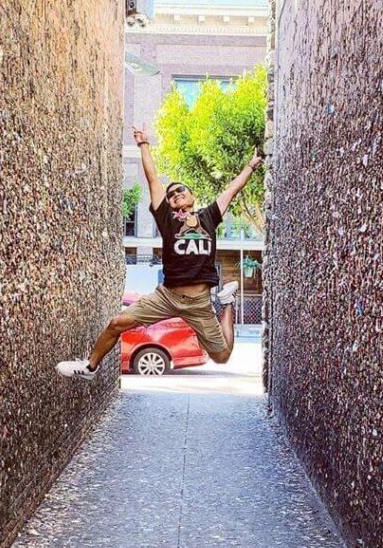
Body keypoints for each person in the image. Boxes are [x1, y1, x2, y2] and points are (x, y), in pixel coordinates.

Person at [56, 125, 264, 380]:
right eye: (171, 194)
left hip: (199, 302)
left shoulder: (209, 216)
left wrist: (251, 166)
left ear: (192, 196)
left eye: (181, 191)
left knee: (222, 356)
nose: (175, 194)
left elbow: (232, 190)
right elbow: (153, 179)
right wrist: (144, 145)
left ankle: (228, 303)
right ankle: (89, 367)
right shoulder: (167, 219)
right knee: (116, 324)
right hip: (166, 296)